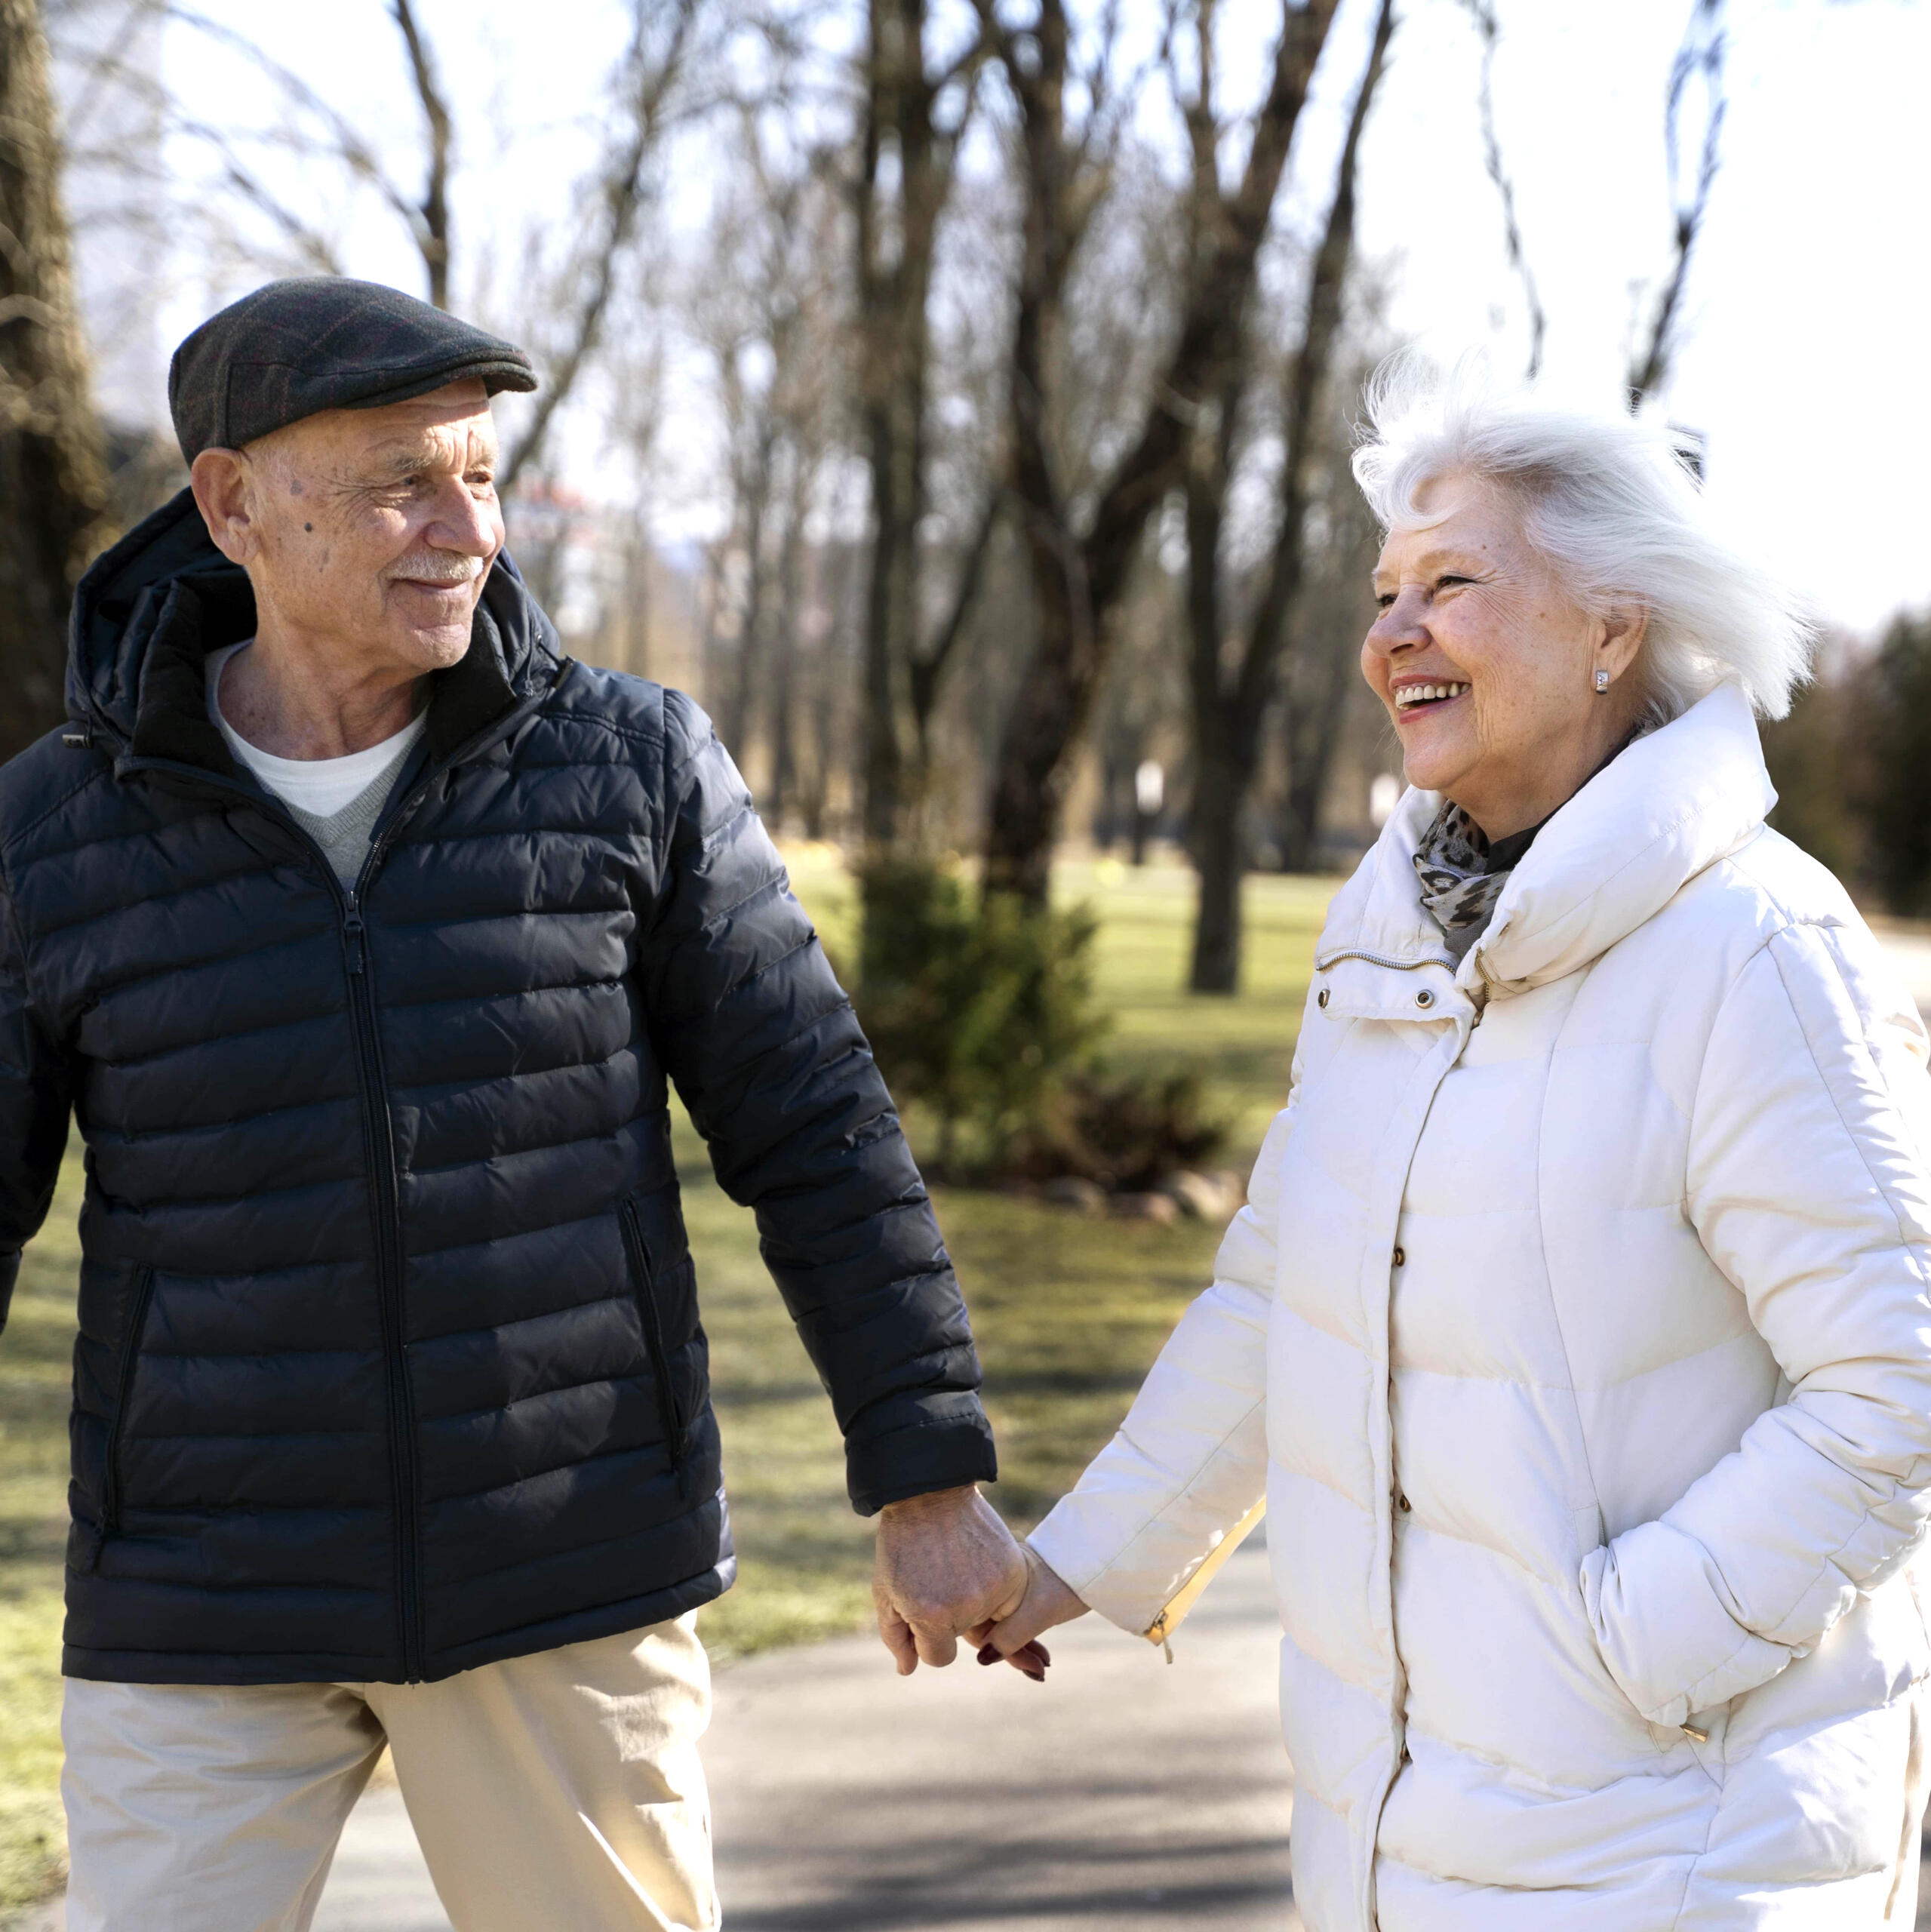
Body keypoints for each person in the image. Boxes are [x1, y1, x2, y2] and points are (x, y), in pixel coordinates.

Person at [0, 276, 1029, 1932]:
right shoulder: (55, 831)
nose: (460, 526)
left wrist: (927, 1475)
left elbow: (817, 1126)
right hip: (202, 1592)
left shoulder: (630, 764)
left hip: (563, 1576)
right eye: (404, 477)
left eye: (478, 474)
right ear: (231, 501)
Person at [982, 365, 1931, 1928]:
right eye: (1379, 594)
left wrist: (1627, 1642)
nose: (1389, 634)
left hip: (1669, 1847)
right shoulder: (1388, 945)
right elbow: (1283, 1289)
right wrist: (1079, 1556)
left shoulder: (1751, 944)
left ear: (1609, 627)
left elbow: (1894, 1380)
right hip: (1397, 1832)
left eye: (1450, 584)